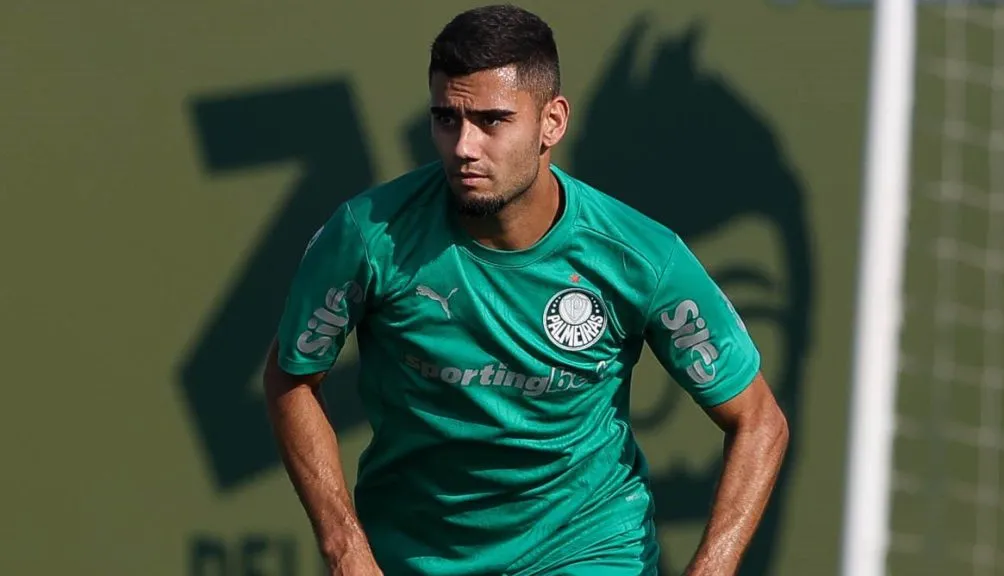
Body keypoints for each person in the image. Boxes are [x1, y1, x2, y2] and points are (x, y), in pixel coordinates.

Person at [262, 4, 790, 575]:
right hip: (416, 556)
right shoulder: (367, 236)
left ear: (552, 122)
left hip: (587, 551)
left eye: (491, 121)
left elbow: (759, 419)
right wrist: (345, 548)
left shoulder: (642, 257)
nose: (464, 145)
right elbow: (291, 378)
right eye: (446, 118)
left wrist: (712, 567)